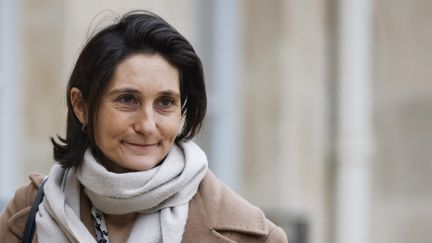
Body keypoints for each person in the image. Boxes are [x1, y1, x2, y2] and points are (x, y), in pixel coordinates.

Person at [0, 10, 288, 243]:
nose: (148, 126)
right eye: (127, 99)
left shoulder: (250, 236)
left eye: (165, 102)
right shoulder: (27, 212)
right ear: (82, 107)